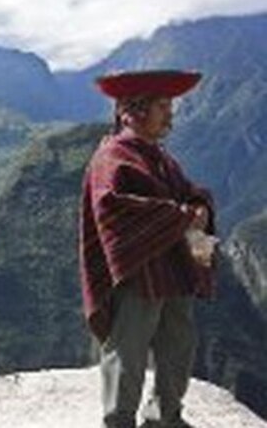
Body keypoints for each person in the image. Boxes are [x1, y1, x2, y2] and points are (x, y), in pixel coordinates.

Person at [78, 69, 217, 428]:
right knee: (128, 354)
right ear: (134, 111)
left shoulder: (158, 156)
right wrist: (182, 216)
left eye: (169, 104)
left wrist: (198, 204)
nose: (170, 113)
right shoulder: (113, 157)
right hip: (138, 273)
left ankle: (165, 417)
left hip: (172, 269)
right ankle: (119, 421)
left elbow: (186, 190)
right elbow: (113, 208)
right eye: (162, 105)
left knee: (179, 346)